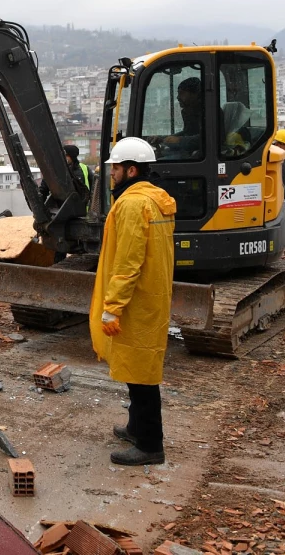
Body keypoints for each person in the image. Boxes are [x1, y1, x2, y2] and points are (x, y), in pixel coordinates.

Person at [90, 136, 176, 466]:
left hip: (135, 303)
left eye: (116, 168)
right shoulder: (158, 200)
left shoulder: (131, 205)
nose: (111, 173)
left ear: (132, 169)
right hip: (151, 298)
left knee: (142, 376)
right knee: (138, 367)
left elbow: (128, 262)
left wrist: (112, 308)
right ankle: (135, 427)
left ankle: (150, 445)